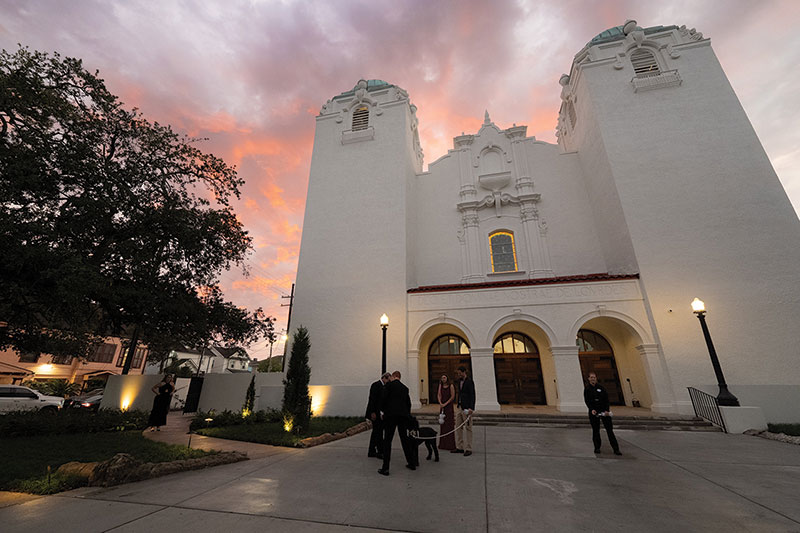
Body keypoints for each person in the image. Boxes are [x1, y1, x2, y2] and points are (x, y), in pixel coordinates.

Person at [378, 370, 416, 476]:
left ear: (394, 376)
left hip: (390, 416)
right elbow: (408, 404)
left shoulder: (389, 386)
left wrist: (382, 411)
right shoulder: (405, 388)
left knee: (387, 441)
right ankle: (411, 462)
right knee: (404, 439)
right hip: (402, 417)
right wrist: (407, 415)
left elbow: (383, 399)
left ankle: (385, 468)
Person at [584, 371, 622, 455]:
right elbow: (587, 400)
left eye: (594, 377)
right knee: (595, 430)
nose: (593, 379)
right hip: (594, 412)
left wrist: (606, 410)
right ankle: (597, 447)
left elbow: (606, 400)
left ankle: (616, 449)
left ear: (596, 378)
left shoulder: (601, 388)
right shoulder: (587, 389)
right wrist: (591, 409)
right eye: (591, 377)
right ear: (588, 379)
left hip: (604, 411)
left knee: (609, 430)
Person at [365, 372, 391, 458]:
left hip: (380, 413)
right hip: (375, 413)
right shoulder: (376, 385)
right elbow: (372, 399)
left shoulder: (383, 386)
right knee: (377, 432)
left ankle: (373, 450)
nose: (388, 382)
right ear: (384, 378)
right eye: (388, 380)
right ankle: (378, 451)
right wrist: (372, 412)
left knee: (377, 432)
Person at [453, 366, 475, 456]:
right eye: (458, 373)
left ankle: (469, 448)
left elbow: (472, 395)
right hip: (460, 407)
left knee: (468, 428)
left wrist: (471, 408)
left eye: (459, 373)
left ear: (464, 372)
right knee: (458, 427)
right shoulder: (459, 382)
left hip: (467, 408)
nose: (458, 375)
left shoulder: (469, 382)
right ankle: (460, 447)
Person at [437, 374, 456, 451]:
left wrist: (445, 403)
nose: (443, 379)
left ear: (447, 378)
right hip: (442, 407)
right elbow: (439, 395)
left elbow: (452, 396)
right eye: (442, 378)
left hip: (448, 407)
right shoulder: (440, 386)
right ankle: (443, 444)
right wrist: (440, 403)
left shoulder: (451, 386)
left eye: (444, 377)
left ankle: (450, 444)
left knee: (449, 425)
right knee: (443, 425)